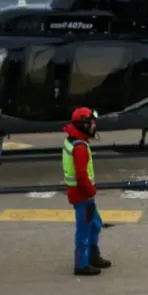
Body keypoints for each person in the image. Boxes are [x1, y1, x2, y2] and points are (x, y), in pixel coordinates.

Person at [62, 106, 111, 276]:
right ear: (83, 125)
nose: (94, 127)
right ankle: (81, 264)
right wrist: (90, 191)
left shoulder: (73, 141)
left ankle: (93, 256)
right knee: (84, 230)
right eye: (91, 123)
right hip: (82, 195)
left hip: (81, 194)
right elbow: (82, 175)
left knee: (95, 224)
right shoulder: (80, 148)